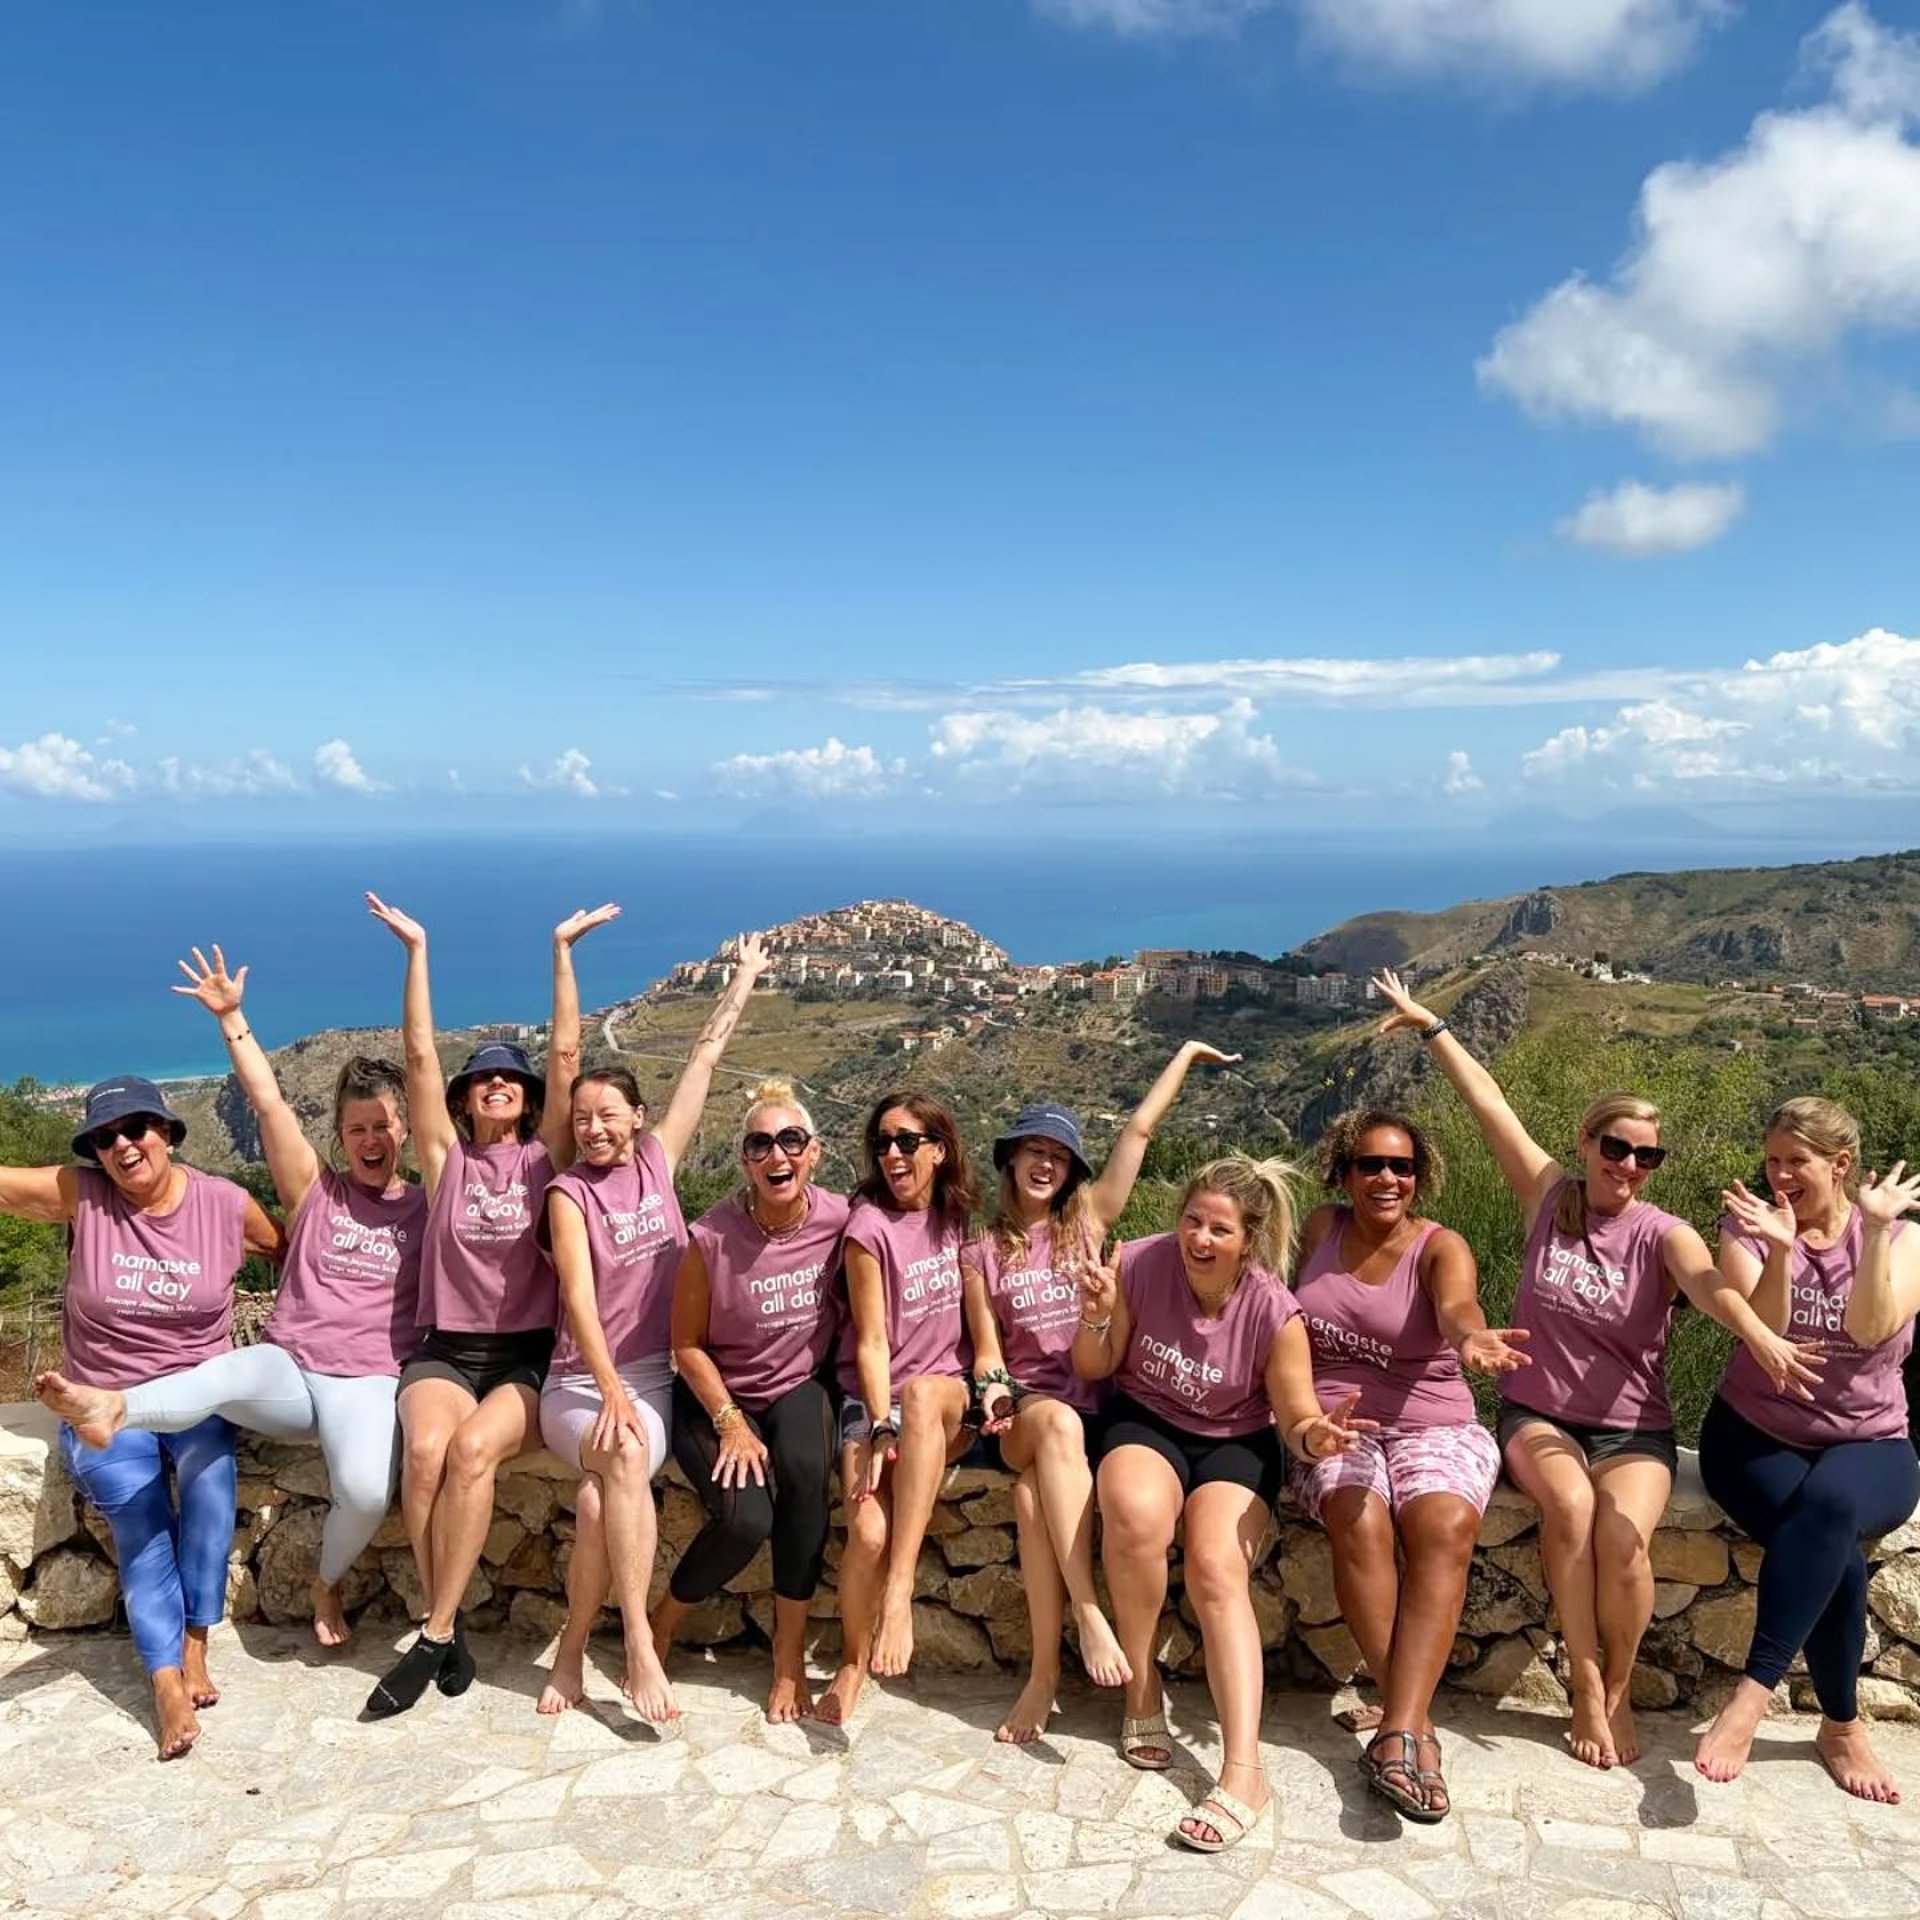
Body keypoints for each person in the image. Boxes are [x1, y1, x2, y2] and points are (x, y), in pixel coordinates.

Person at [1371, 968, 1821, 1771]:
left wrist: (1760, 1333)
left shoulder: (1662, 1232)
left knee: (1623, 1540)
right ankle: (1582, 1676)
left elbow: (1713, 1289)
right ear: (1586, 1144)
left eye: (1647, 1155)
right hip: (1537, 1412)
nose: (1630, 1165)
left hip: (1635, 1427)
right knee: (1570, 1507)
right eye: (1616, 1148)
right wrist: (1434, 1026)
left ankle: (1618, 1682)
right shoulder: (1550, 1195)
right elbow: (1491, 1107)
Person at [37, 947, 425, 1647]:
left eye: (384, 1126)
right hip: (288, 1368)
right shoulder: (315, 1191)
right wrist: (233, 1019)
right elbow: (269, 1102)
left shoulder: (429, 1210)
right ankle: (112, 1408)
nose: (371, 1139)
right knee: (218, 1374)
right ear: (340, 1136)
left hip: (368, 1380)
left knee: (367, 1493)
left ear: (405, 1131)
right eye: (357, 1127)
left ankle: (326, 1582)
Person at [361, 892, 615, 1717]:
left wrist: (562, 949)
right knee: (427, 1453)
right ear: (466, 1101)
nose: (496, 1083)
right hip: (446, 1345)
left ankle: (432, 1632)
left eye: (510, 1077)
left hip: (525, 1354)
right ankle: (452, 1623)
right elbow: (418, 1055)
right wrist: (416, 950)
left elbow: (571, 1052)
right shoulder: (446, 1161)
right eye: (484, 1080)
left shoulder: (548, 1160)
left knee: (471, 1452)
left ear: (526, 1098)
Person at [1076, 1155, 1368, 1853]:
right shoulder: (1141, 1264)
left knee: (1215, 1565)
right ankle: (1142, 1692)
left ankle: (1244, 1772)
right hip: (1146, 1420)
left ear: (1249, 1239)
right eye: (1192, 1221)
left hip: (1236, 1442)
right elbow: (1095, 1367)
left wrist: (1317, 1434)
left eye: (1219, 1229)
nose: (1199, 1240)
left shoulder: (1274, 1309)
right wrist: (1096, 1317)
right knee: (1137, 1515)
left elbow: (1295, 1412)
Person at [962, 1041, 1240, 1744]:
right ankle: (1090, 1613)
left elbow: (1138, 1134)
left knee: (1033, 1503)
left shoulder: (1086, 1229)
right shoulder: (980, 1254)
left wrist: (1178, 1057)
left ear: (1071, 1172)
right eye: (1032, 1150)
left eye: (1058, 1155)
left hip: (1093, 1419)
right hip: (1028, 1416)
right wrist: (994, 1392)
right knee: (1052, 1423)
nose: (1045, 1162)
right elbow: (989, 1353)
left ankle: (1043, 1678)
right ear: (1010, 1160)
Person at [533, 935, 769, 1723]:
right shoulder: (568, 1196)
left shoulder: (659, 1163)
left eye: (609, 1115)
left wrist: (742, 979)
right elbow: (579, 1298)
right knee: (625, 1454)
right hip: (577, 1384)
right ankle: (638, 1641)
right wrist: (608, 1391)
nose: (595, 1128)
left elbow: (704, 1060)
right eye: (582, 1118)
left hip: (656, 1380)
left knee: (602, 1505)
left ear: (637, 1117)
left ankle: (571, 1652)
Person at [14, 1077, 281, 1759]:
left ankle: (197, 1640)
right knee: (136, 1510)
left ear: (167, 1132)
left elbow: (292, 1251)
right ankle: (165, 1681)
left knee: (211, 1484)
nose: (123, 1146)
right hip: (102, 1398)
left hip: (194, 1395)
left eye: (136, 1129)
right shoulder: (85, 1197)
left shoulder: (225, 1204)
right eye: (105, 1138)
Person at [1292, 1107, 1528, 1822]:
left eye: (1402, 1167)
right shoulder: (1318, 1229)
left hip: (1434, 1420)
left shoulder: (1438, 1245)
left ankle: (1397, 1723)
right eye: (1371, 1164)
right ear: (1345, 1172)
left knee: (1444, 1524)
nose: (1387, 1178)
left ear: (1419, 1181)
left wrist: (1471, 1339)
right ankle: (1412, 1726)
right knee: (1356, 1514)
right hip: (1336, 1424)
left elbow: (1458, 1304)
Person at [1694, 1098, 1920, 1803]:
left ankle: (1752, 1695)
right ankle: (1842, 1727)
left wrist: (1876, 1235)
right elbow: (1764, 1334)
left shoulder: (1906, 1238)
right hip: (1754, 1436)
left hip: (1871, 1438)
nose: (1780, 1175)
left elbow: (1874, 1327)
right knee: (1834, 1547)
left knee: (1832, 1502)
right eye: (1772, 1161)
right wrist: (1784, 1248)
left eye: (1798, 1162)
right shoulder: (1750, 1227)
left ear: (1841, 1165)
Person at [655, 1078, 849, 1722]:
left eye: (790, 1140)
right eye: (760, 1144)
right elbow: (686, 1346)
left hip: (795, 1387)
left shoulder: (838, 1219)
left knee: (802, 1474)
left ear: (813, 1152)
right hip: (715, 1395)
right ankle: (662, 1624)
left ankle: (788, 1660)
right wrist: (730, 1420)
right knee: (746, 1520)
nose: (777, 1156)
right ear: (745, 1161)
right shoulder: (709, 1239)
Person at [821, 1091, 980, 1725]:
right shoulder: (867, 1231)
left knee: (921, 1394)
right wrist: (880, 1423)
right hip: (874, 1398)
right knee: (866, 1531)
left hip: (943, 1396)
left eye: (907, 1141)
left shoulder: (957, 1217)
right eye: (883, 1143)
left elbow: (978, 1315)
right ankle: (853, 1659)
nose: (892, 1154)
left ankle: (900, 1591)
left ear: (939, 1150)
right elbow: (872, 1341)